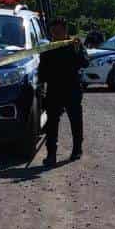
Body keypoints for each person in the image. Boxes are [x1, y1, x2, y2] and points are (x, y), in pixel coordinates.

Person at [39, 19, 87, 165]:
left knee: (75, 120)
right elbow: (42, 70)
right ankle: (51, 154)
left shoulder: (75, 45)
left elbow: (85, 62)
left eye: (58, 32)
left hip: (72, 88)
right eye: (53, 32)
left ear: (65, 31)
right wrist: (41, 84)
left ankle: (77, 149)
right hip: (54, 90)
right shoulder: (48, 47)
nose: (55, 35)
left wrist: (78, 50)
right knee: (52, 123)